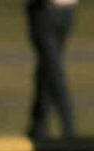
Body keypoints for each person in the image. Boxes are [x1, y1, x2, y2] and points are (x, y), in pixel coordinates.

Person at [27, 0, 78, 138]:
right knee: (47, 68)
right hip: (63, 9)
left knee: (52, 70)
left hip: (47, 11)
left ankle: (68, 126)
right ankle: (39, 125)